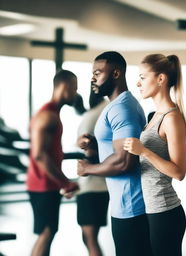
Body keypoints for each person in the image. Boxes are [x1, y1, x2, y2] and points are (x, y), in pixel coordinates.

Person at [76, 51, 152, 256]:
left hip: (132, 207)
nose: (93, 78)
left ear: (116, 73)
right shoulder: (117, 106)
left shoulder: (122, 109)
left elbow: (125, 161)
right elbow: (117, 152)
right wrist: (94, 149)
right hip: (124, 206)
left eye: (98, 72)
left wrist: (88, 168)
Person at [123, 54, 186, 256]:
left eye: (143, 77)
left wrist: (144, 151)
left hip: (166, 212)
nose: (137, 83)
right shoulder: (155, 117)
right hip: (152, 210)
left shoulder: (171, 117)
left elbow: (179, 172)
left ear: (161, 79)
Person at [26, 69, 79, 256]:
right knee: (46, 232)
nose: (75, 93)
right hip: (42, 184)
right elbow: (39, 155)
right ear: (64, 86)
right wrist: (65, 182)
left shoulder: (52, 114)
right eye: (74, 88)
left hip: (46, 184)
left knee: (48, 231)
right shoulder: (47, 115)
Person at [74, 92, 109, 256]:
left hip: (93, 187)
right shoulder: (100, 111)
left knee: (89, 238)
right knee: (89, 238)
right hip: (96, 186)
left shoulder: (96, 114)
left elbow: (89, 148)